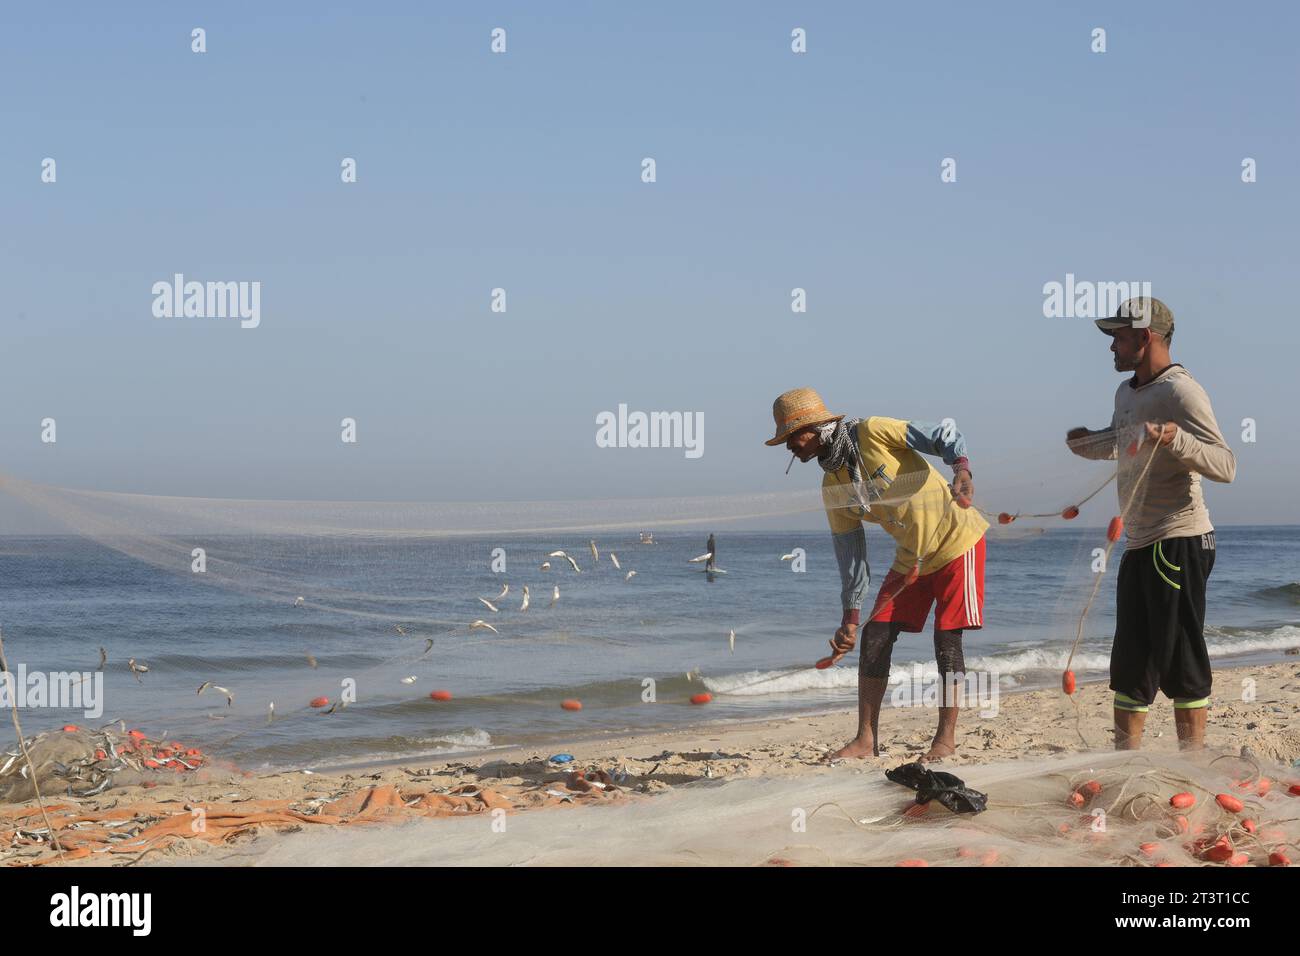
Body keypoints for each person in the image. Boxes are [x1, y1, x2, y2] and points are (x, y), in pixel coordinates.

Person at [766, 387, 987, 761]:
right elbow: (851, 555)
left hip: (956, 541)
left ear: (817, 427)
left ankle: (945, 740)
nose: (790, 446)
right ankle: (866, 740)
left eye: (792, 437)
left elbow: (940, 434)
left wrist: (961, 467)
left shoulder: (872, 432)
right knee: (874, 634)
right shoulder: (832, 486)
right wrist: (850, 618)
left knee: (947, 639)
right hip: (911, 560)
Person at [1066, 298, 1235, 750]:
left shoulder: (1181, 392)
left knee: (1181, 656)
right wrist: (1089, 443)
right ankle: (1128, 765)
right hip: (1139, 543)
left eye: (1118, 337)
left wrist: (1174, 437)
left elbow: (1225, 464)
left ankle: (1193, 764)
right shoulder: (1126, 393)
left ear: (1146, 337)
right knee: (1130, 660)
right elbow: (1125, 444)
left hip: (1180, 538)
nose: (1112, 348)